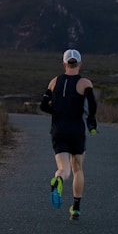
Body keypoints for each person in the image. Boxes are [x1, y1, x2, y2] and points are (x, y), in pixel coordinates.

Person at [40, 49, 97, 221]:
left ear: (64, 64)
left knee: (64, 169)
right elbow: (92, 106)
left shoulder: (54, 82)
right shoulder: (84, 83)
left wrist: (57, 111)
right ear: (79, 63)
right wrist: (91, 120)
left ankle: (58, 180)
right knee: (78, 168)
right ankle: (76, 208)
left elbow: (43, 105)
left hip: (58, 130)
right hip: (76, 130)